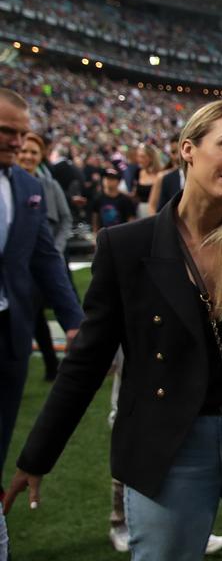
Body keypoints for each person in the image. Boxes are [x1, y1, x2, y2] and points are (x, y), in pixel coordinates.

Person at [4, 99, 222, 560]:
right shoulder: (125, 247)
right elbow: (86, 362)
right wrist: (36, 456)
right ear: (188, 149)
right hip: (170, 448)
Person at [0, 89, 84, 560]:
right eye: (6, 131)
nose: (16, 142)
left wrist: (74, 321)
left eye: (22, 133)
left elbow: (46, 259)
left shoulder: (28, 188)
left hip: (10, 335)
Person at [17, 132, 73, 382]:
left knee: (58, 308)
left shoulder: (49, 185)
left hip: (47, 262)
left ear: (40, 157)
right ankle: (50, 364)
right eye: (25, 152)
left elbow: (65, 219)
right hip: (19, 265)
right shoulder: (9, 184)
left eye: (33, 153)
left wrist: (56, 250)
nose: (28, 156)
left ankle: (64, 362)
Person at [90, 167, 137, 233]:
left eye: (111, 179)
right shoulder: (98, 198)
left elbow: (131, 219)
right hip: (104, 235)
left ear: (118, 181)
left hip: (121, 234)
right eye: (106, 178)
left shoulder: (125, 200)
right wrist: (95, 234)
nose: (107, 180)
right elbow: (95, 217)